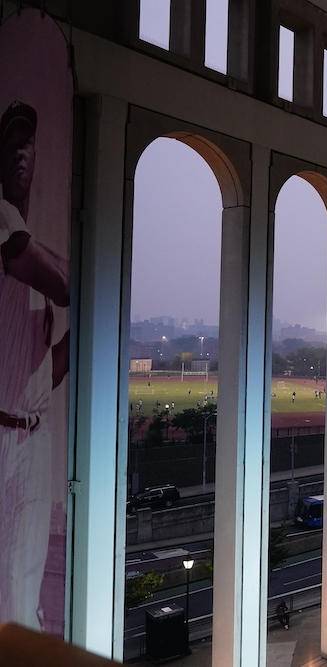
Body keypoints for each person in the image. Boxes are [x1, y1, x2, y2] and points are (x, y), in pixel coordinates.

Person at [0, 100, 71, 630]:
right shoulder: (8, 225)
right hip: (2, 432)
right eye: (10, 143)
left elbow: (46, 369)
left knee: (26, 579)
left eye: (27, 143)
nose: (21, 153)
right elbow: (67, 283)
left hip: (33, 432)